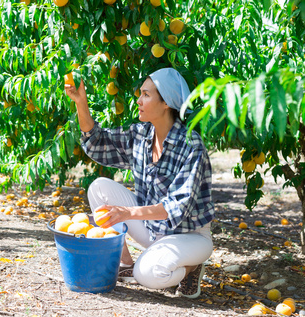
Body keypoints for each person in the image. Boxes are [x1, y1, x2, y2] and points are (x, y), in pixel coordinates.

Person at [64, 68, 215, 298]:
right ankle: (124, 262)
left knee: (148, 275)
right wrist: (80, 103)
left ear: (166, 103)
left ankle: (191, 267)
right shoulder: (142, 135)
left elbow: (176, 208)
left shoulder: (190, 145)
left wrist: (126, 213)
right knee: (98, 188)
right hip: (154, 229)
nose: (138, 100)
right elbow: (98, 142)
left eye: (146, 94)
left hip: (190, 235)